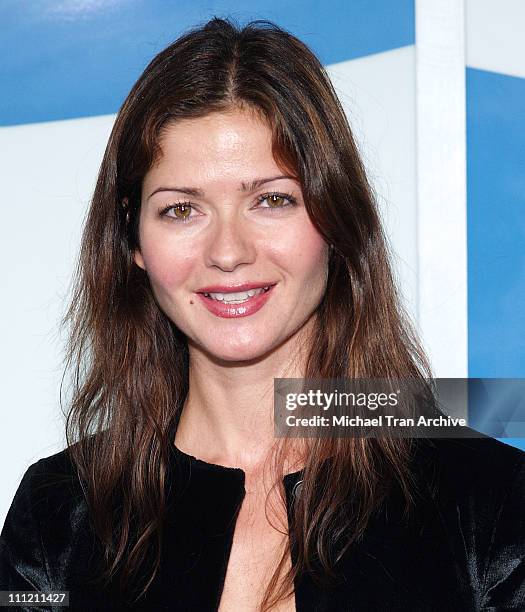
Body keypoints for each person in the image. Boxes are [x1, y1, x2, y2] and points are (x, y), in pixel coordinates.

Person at [1, 16, 525, 612]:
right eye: (181, 210)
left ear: (336, 219)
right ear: (134, 243)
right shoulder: (57, 517)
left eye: (272, 200)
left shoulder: (490, 503)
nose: (228, 252)